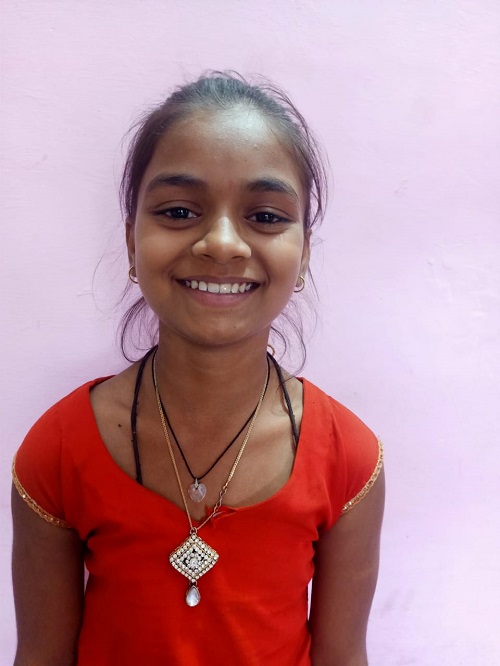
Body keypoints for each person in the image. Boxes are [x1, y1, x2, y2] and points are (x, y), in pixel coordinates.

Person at [11, 72, 385, 666]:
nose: (223, 243)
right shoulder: (58, 447)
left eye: (265, 217)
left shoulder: (348, 457)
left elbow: (343, 656)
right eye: (180, 210)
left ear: (305, 252)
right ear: (132, 244)